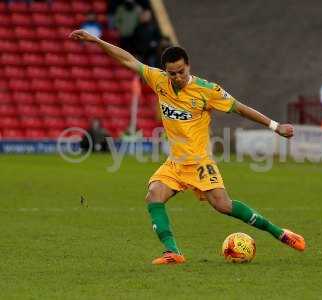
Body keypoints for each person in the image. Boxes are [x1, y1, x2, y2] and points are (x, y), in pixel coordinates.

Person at [70, 29, 306, 265]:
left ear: (188, 66)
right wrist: (96, 40)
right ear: (166, 71)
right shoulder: (159, 80)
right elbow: (128, 59)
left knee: (224, 205)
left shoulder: (207, 90)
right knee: (153, 195)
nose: (177, 77)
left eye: (181, 72)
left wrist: (275, 126)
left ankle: (280, 233)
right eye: (172, 73)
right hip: (175, 162)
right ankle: (172, 252)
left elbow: (239, 107)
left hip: (200, 162)